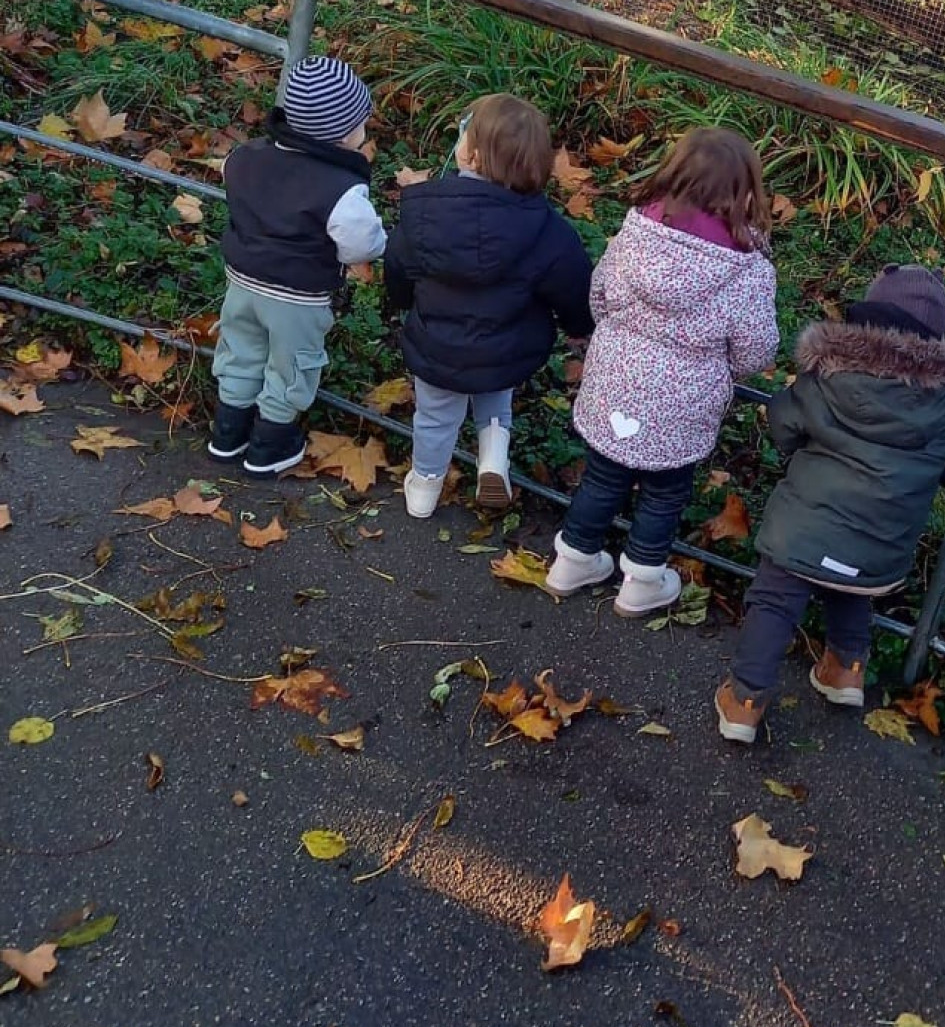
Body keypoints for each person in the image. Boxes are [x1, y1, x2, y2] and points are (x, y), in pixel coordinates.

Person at [715, 265, 945, 744]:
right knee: (853, 585)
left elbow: (783, 423)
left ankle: (745, 701)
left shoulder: (828, 375)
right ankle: (846, 670)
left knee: (775, 600)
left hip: (805, 529)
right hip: (882, 543)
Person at [545, 127, 779, 617]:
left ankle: (572, 560)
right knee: (665, 491)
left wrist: (618, 337)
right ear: (745, 192)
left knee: (602, 477)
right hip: (685, 401)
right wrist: (725, 371)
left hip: (615, 380)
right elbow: (756, 348)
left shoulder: (635, 234)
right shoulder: (748, 269)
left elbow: (599, 296)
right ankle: (642, 581)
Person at [384, 94, 594, 519]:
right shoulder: (548, 230)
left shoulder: (424, 214)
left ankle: (424, 486)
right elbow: (573, 284)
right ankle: (494, 458)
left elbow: (398, 265)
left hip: (438, 344)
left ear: (473, 155)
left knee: (435, 417)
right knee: (495, 395)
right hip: (508, 345)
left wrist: (402, 302)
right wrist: (579, 324)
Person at [208, 56, 387, 476]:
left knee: (241, 349)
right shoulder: (341, 190)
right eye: (361, 123)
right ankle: (270, 443)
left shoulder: (244, 157)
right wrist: (379, 245)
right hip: (297, 297)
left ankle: (228, 431)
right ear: (343, 134)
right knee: (291, 364)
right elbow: (360, 244)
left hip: (242, 281)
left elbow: (235, 188)